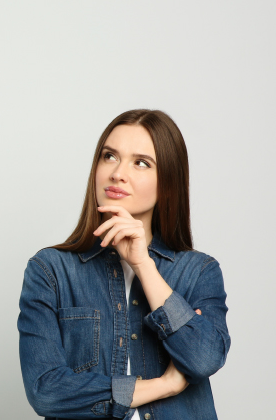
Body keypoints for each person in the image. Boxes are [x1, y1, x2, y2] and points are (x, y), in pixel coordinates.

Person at [17, 109, 230, 419]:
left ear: (167, 181)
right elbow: (46, 392)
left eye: (141, 162)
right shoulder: (51, 271)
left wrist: (143, 264)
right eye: (109, 156)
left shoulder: (198, 271)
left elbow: (204, 359)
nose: (118, 173)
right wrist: (166, 385)